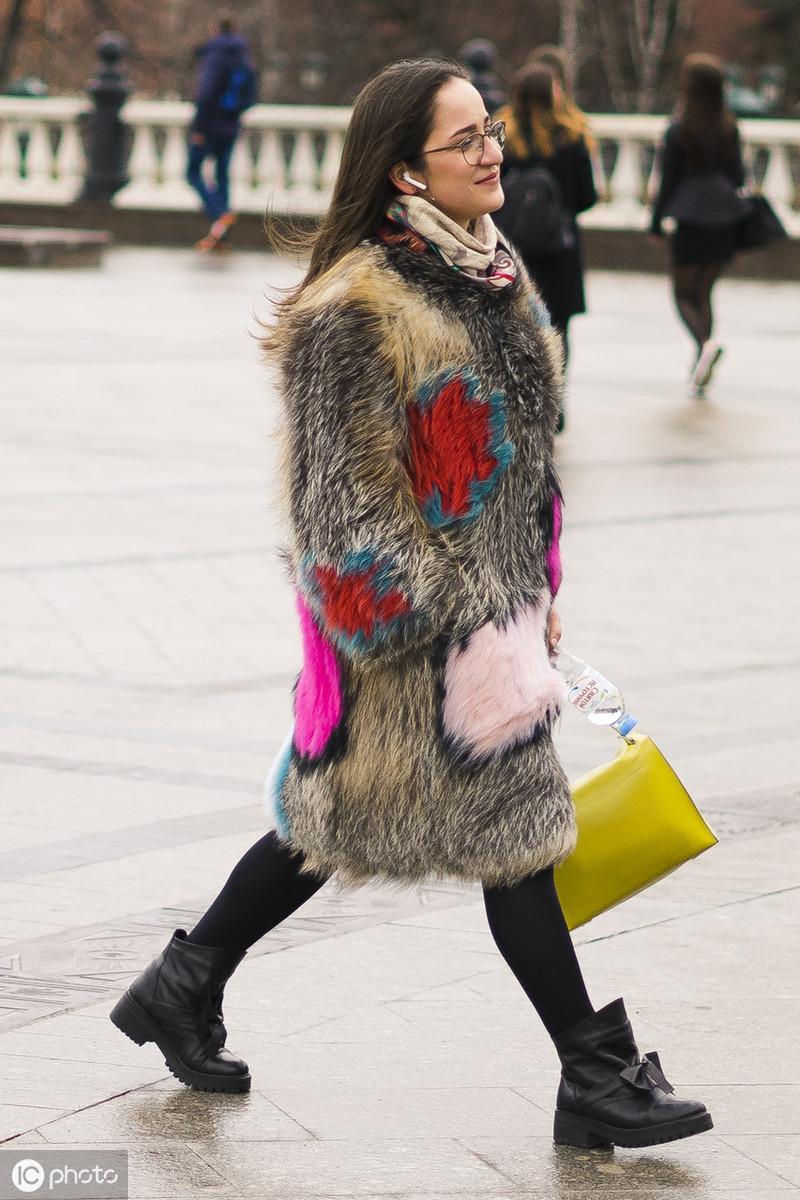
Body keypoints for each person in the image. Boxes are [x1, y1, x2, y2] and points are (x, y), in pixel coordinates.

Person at [110, 58, 712, 1151]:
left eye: (488, 130)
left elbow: (526, 462)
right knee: (510, 834)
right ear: (401, 172)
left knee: (336, 821)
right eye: (465, 138)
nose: (492, 151)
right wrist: (452, 626)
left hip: (493, 617)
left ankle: (183, 978)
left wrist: (535, 589)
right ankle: (590, 1070)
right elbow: (337, 516)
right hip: (416, 643)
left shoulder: (490, 273)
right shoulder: (353, 310)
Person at [497, 63, 597, 431]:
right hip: (560, 248)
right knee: (559, 328)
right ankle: (554, 403)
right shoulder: (572, 138)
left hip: (514, 247)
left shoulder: (503, 137)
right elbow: (588, 197)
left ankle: (518, 400)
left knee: (515, 325)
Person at [650, 54, 747, 397]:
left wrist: (656, 222)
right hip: (724, 218)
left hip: (691, 217)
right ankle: (703, 355)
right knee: (704, 292)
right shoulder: (729, 127)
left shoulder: (679, 130)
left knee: (682, 293)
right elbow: (738, 176)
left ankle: (705, 345)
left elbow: (668, 180)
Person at [186, 14, 256, 252]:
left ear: (215, 29)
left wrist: (199, 128)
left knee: (192, 172)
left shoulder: (214, 56)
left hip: (209, 126)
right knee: (222, 175)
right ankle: (221, 236)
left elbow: (205, 94)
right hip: (230, 126)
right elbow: (249, 97)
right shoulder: (244, 59)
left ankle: (220, 214)